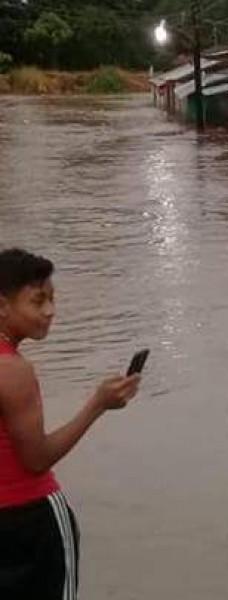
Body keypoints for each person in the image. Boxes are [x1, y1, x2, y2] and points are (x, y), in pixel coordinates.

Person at [0, 248, 141, 600]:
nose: (50, 311)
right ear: (2, 306)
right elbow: (36, 460)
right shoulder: (13, 370)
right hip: (29, 521)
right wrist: (98, 404)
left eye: (52, 299)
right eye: (38, 301)